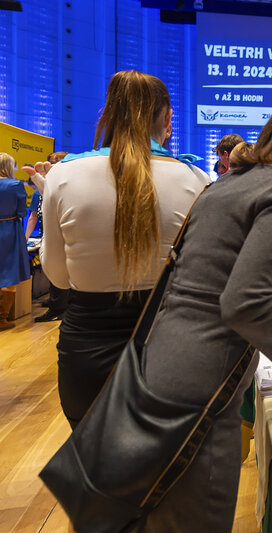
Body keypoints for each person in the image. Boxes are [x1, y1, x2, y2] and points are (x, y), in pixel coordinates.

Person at [134, 89, 272, 530]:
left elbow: (215, 285)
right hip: (202, 376)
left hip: (163, 360)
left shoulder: (231, 182)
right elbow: (242, 302)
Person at [39, 70, 210, 429]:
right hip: (168, 353)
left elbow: (57, 277)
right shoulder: (197, 180)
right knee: (168, 463)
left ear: (107, 114)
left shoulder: (61, 175)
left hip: (86, 355)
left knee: (91, 459)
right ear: (168, 119)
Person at [24, 151, 70, 323]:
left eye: (55, 162)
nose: (50, 165)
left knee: (62, 271)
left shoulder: (67, 186)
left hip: (64, 236)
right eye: (51, 161)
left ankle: (60, 307)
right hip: (48, 234)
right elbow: (33, 216)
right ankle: (57, 305)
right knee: (52, 270)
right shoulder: (41, 191)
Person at [0, 152, 31, 330]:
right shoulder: (15, 185)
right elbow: (22, 212)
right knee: (9, 272)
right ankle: (2, 318)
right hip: (9, 230)